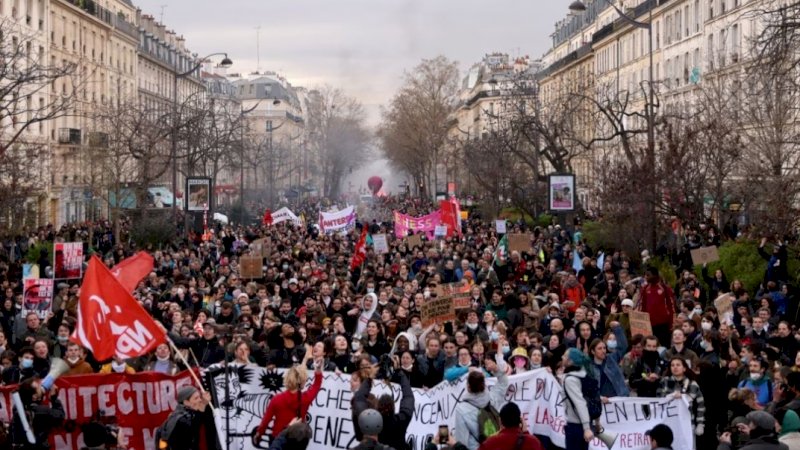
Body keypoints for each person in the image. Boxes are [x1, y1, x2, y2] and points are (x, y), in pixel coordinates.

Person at [254, 346, 322, 443]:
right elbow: (316, 385)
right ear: (303, 381)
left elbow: (266, 420)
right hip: (297, 441)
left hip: (277, 438)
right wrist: (318, 371)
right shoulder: (306, 398)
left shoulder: (277, 399)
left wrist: (259, 434)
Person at [454, 352, 509, 450]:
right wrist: (496, 370)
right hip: (495, 446)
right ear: (484, 384)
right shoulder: (492, 398)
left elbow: (461, 438)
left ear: (468, 386)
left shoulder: (461, 409)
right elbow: (504, 383)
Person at [657, 357, 706, 440]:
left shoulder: (692, 384)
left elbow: (701, 405)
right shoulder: (664, 382)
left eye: (678, 365)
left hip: (688, 423)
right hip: (668, 423)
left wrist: (700, 424)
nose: (675, 367)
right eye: (672, 365)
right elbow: (658, 400)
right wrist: (671, 396)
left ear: (684, 368)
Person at [12, 377, 65, 450]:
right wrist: (54, 399)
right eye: (38, 388)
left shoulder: (17, 409)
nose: (42, 388)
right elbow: (60, 416)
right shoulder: (42, 411)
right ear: (34, 397)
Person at [156, 385, 216, 450]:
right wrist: (203, 404)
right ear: (186, 402)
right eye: (196, 398)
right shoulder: (181, 419)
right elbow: (194, 424)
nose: (200, 400)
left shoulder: (180, 414)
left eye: (200, 397)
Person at [561, 348, 596, 450]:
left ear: (571, 361)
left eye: (565, 355)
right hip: (586, 424)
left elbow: (580, 403)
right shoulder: (584, 375)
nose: (562, 357)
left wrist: (586, 428)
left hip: (576, 427)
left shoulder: (570, 380)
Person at [477, 402, 544, 450]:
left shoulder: (489, 443)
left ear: (500, 421)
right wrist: (526, 432)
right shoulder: (534, 443)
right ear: (520, 420)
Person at [377, 369, 415, 450]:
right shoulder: (401, 420)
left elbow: (360, 399)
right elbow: (408, 397)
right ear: (394, 407)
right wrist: (401, 373)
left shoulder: (372, 424)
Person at [719, 410, 788, 450]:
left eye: (751, 424)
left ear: (756, 427)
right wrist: (750, 434)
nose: (748, 426)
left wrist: (724, 444)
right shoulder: (783, 447)